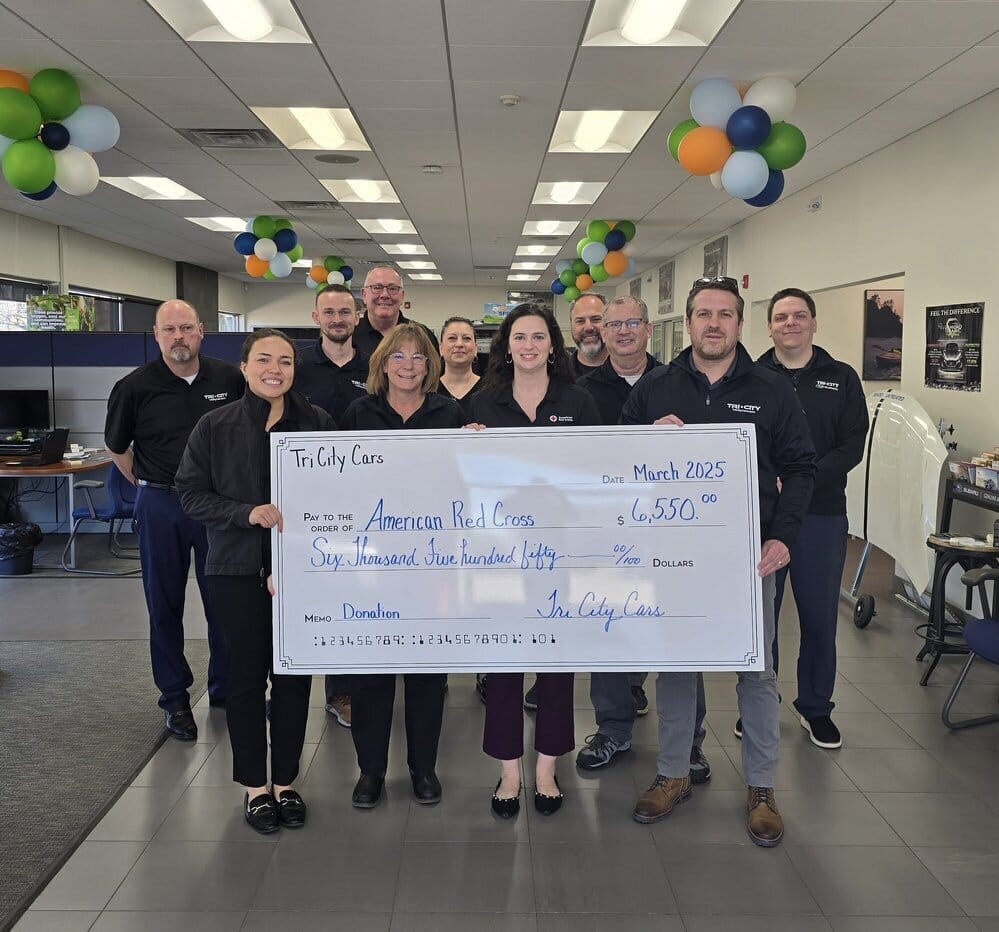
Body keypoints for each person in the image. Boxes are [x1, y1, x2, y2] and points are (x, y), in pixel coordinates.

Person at [621, 276, 815, 847]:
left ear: (739, 323)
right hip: (672, 556)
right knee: (677, 666)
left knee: (756, 670)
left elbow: (801, 467)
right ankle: (673, 772)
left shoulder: (772, 389)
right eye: (703, 314)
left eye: (724, 314)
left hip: (746, 559)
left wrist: (782, 537)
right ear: (688, 323)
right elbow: (613, 455)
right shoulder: (656, 386)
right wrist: (644, 437)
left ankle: (762, 787)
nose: (713, 324)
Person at [175, 328, 332, 833]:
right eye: (264, 359)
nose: (275, 370)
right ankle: (254, 787)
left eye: (285, 361)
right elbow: (189, 493)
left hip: (301, 574)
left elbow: (341, 492)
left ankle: (285, 782)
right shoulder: (214, 426)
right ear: (244, 368)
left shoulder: (317, 423)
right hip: (235, 570)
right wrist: (245, 513)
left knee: (293, 680)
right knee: (244, 680)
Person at [468, 303, 601, 819]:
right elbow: (459, 478)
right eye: (519, 337)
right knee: (502, 663)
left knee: (556, 664)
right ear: (506, 346)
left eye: (538, 337)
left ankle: (546, 768)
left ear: (552, 345)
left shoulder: (578, 401)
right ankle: (509, 771)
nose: (528, 345)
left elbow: (596, 471)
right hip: (499, 553)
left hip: (560, 551)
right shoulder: (482, 403)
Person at [105, 299, 243, 741]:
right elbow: (117, 447)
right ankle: (175, 699)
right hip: (161, 505)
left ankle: (226, 690)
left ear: (201, 331)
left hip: (217, 507)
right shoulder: (133, 387)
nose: (179, 337)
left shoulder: (229, 379)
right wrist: (150, 483)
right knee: (164, 604)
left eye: (186, 328)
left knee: (224, 601)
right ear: (157, 335)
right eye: (170, 330)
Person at [340, 323, 465, 808]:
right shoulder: (359, 412)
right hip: (373, 560)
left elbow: (463, 481)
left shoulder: (449, 413)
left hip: (432, 559)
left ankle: (423, 769)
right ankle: (370, 770)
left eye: (418, 357)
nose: (408, 366)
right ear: (382, 363)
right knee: (371, 672)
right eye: (398, 356)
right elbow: (339, 482)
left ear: (430, 365)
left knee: (427, 673)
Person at [754, 287, 869, 750]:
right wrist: (773, 481)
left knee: (820, 617)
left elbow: (852, 444)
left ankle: (816, 707)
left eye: (799, 316)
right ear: (770, 326)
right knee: (763, 618)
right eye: (781, 317)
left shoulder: (841, 378)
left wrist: (801, 479)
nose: (790, 323)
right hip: (765, 517)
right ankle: (760, 704)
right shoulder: (752, 377)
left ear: (814, 323)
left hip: (821, 516)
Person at [291, 283, 368, 728]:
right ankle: (307, 687)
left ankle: (351, 688)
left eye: (345, 312)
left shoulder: (374, 364)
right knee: (319, 592)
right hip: (309, 498)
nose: (337, 319)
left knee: (356, 592)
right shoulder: (296, 366)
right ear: (316, 317)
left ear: (357, 317)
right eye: (329, 312)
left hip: (364, 497)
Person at [352, 265, 439, 356]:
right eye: (377, 288)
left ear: (402, 296)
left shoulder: (424, 336)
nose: (385, 295)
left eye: (392, 288)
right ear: (364, 294)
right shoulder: (349, 335)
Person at [437, 316, 483, 416]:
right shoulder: (428, 391)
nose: (459, 344)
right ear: (441, 348)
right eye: (452, 338)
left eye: (466, 338)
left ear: (476, 349)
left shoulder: (490, 390)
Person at [568, 292, 609, 378]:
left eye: (596, 319)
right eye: (580, 321)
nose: (588, 328)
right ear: (571, 326)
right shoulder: (556, 376)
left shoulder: (631, 371)